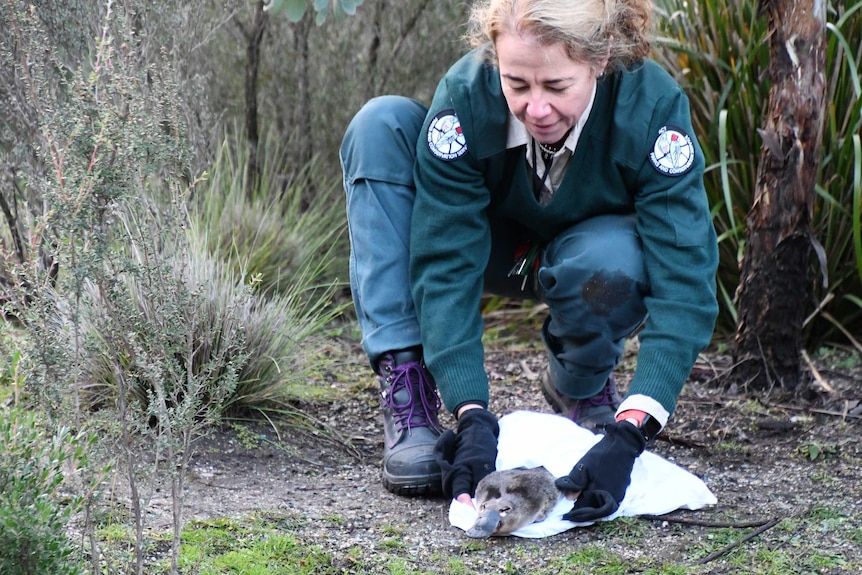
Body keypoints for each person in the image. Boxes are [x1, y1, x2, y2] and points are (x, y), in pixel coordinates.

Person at [339, 0, 718, 521]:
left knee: (619, 256)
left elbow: (685, 282)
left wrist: (634, 428)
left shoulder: (651, 106)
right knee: (380, 123)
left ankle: (581, 385)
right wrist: (471, 414)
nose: (536, 109)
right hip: (488, 250)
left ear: (600, 58)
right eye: (517, 85)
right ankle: (409, 393)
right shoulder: (467, 96)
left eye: (556, 87)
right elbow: (445, 262)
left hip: (588, 261)